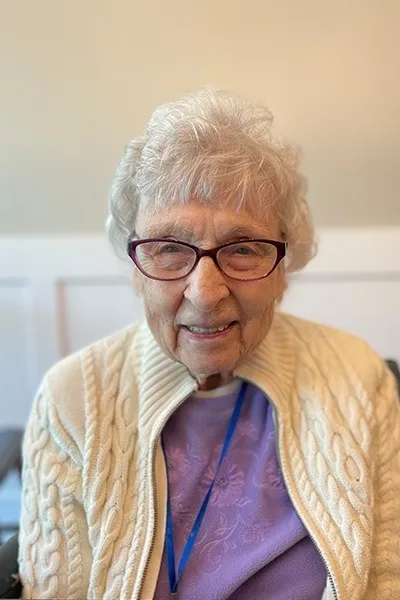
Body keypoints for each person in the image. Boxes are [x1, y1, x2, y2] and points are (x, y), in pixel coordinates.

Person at [18, 88, 400, 600]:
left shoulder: (357, 377)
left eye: (243, 249)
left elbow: (387, 578)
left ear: (282, 270)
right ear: (136, 269)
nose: (205, 293)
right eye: (169, 249)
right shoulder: (72, 400)